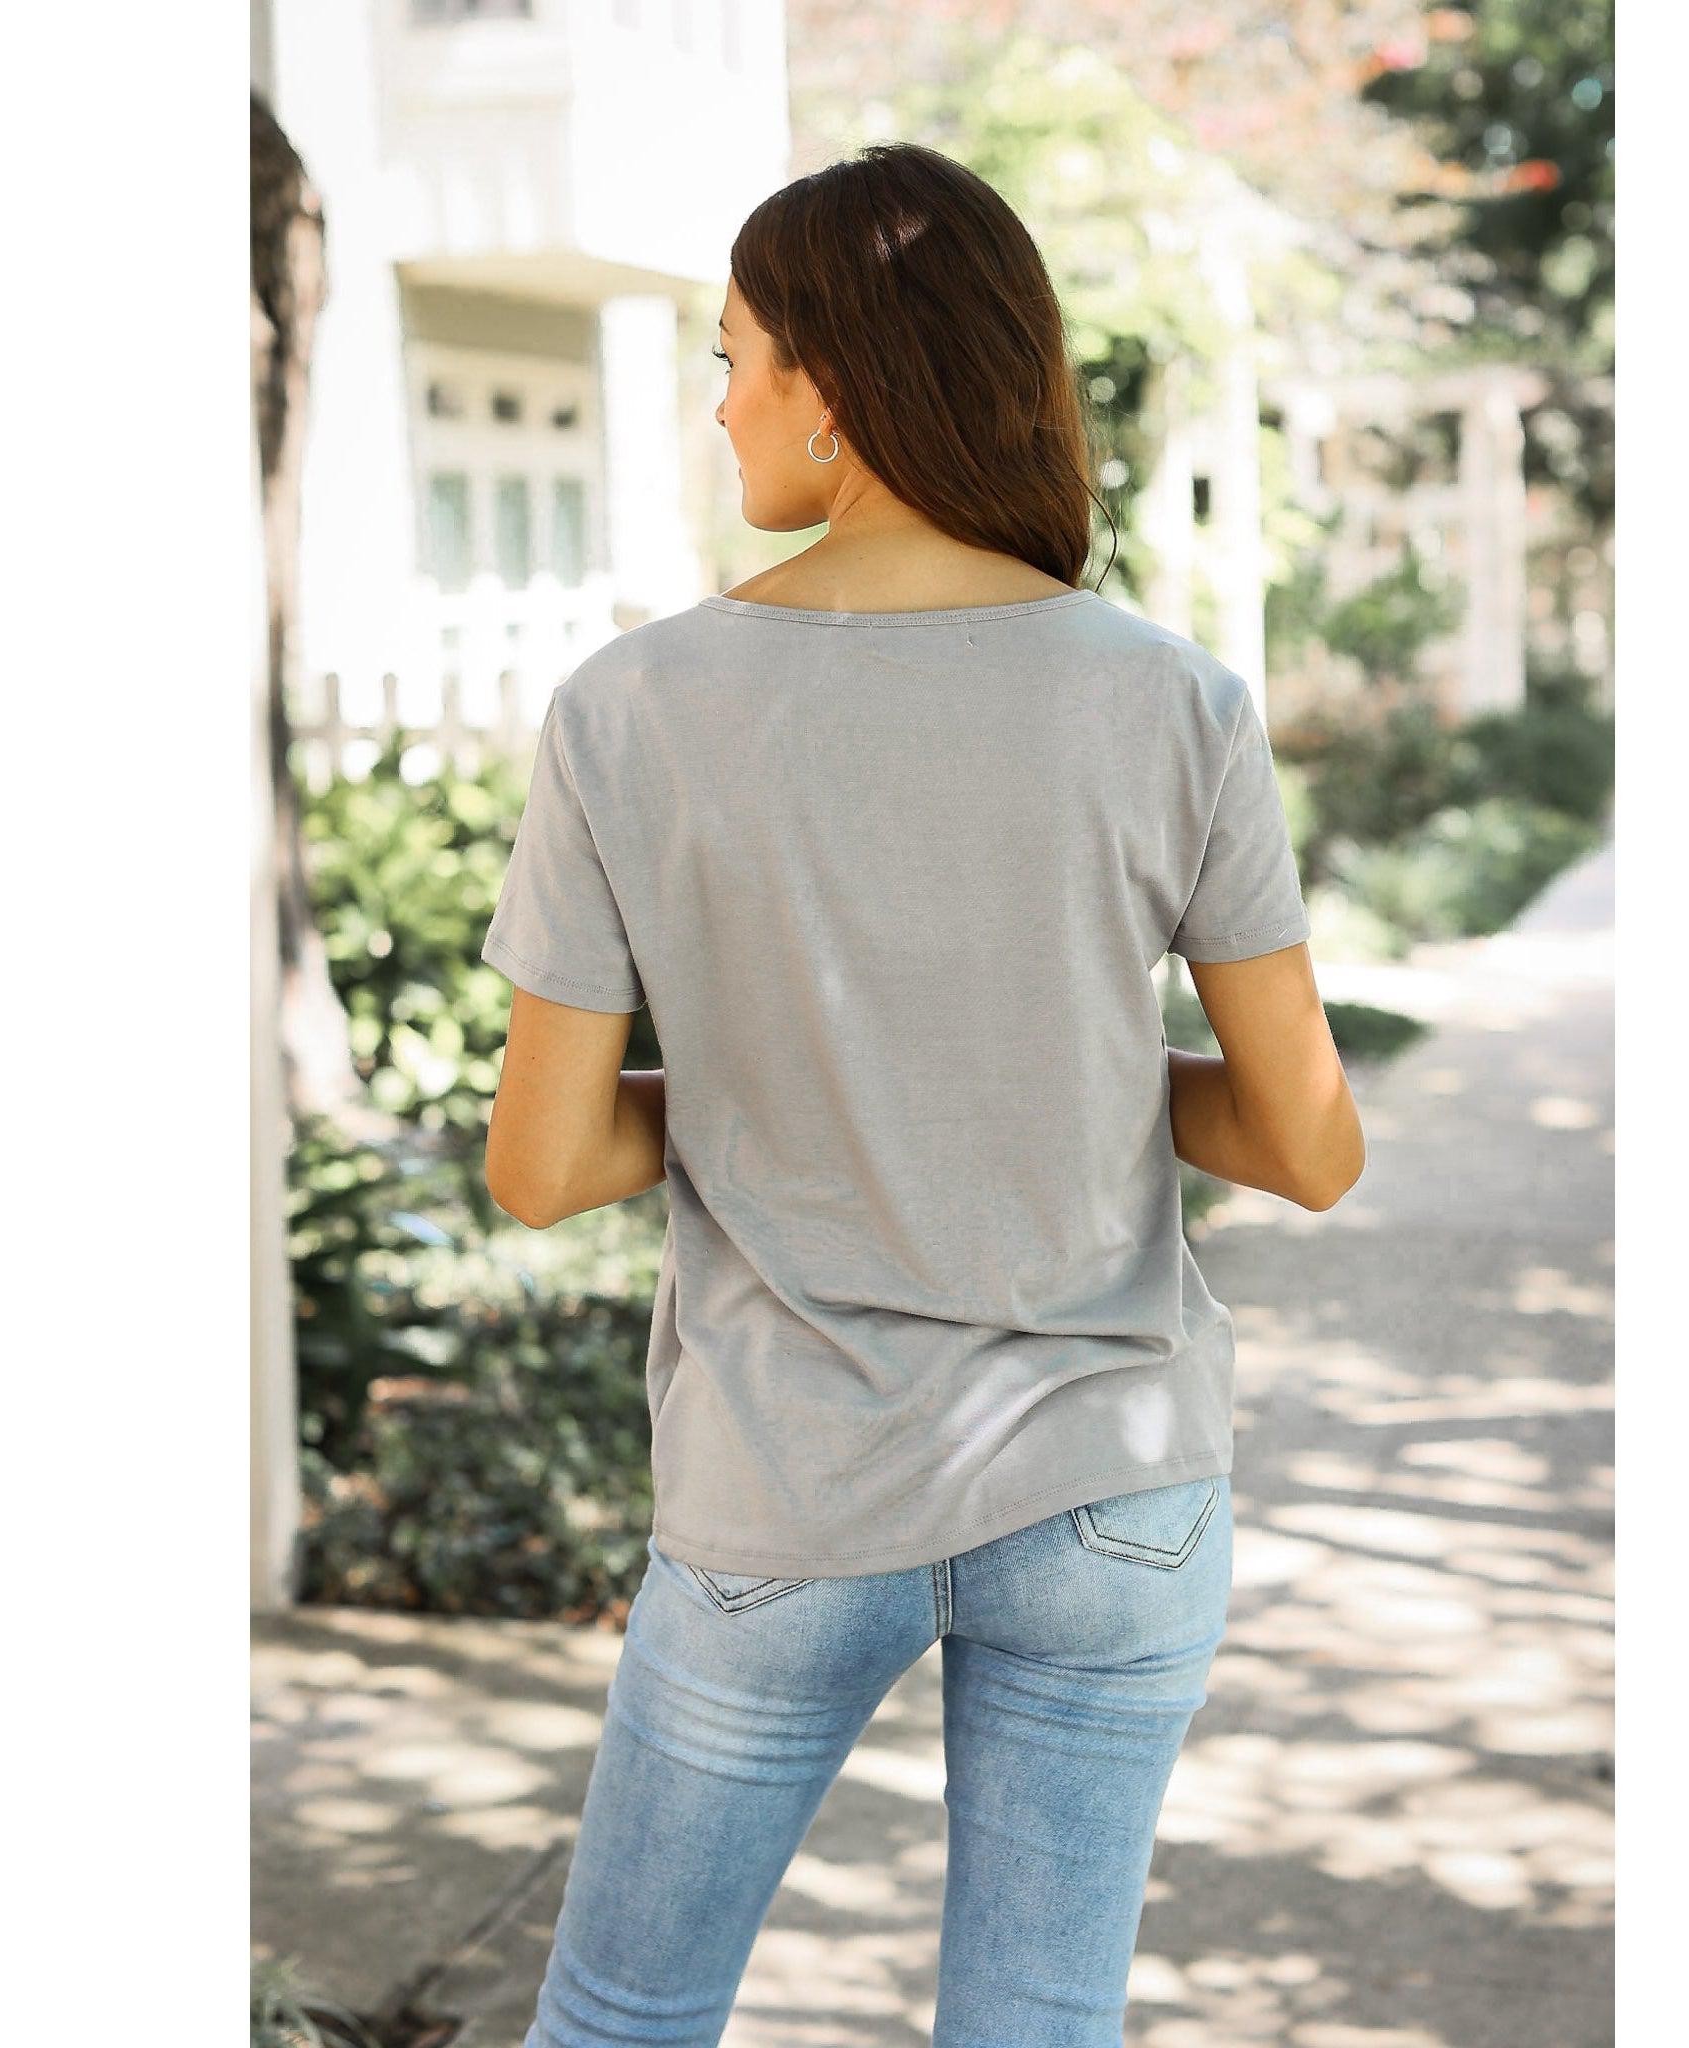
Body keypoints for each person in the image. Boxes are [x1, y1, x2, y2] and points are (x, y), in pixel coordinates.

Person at [481, 141, 1363, 2048]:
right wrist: (1052, 1070)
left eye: (734, 357)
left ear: (832, 379)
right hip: (1116, 1492)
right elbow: (1309, 1143)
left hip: (787, 1486)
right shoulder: (1176, 702)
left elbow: (540, 1167)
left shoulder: (632, 709)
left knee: (623, 2019)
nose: (720, 403)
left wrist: (773, 1089)